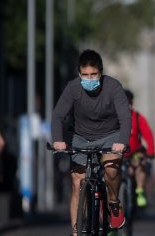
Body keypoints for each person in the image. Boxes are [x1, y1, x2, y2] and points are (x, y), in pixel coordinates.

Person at [51, 50, 131, 235]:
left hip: (110, 135)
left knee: (111, 170)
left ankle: (113, 203)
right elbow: (58, 115)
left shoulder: (113, 87)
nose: (89, 78)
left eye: (93, 74)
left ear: (101, 73)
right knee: (77, 184)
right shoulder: (73, 88)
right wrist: (57, 140)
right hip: (81, 137)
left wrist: (122, 142)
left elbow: (125, 118)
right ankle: (76, 232)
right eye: (85, 75)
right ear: (79, 74)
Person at [123, 89, 155, 208]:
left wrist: (151, 151)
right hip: (117, 153)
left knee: (140, 164)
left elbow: (148, 134)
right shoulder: (112, 118)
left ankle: (140, 191)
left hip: (135, 152)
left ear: (131, 103)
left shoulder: (137, 118)